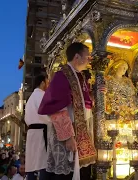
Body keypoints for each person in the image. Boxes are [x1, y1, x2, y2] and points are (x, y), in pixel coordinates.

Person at [39, 42, 105, 179]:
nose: (89, 59)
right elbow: (56, 108)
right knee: (66, 174)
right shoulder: (61, 76)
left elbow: (83, 103)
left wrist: (97, 93)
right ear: (77, 57)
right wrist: (68, 137)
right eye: (87, 56)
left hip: (81, 132)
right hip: (67, 134)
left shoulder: (79, 76)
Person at [25, 73, 51, 180]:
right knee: (43, 162)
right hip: (41, 132)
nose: (48, 84)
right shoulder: (42, 95)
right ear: (42, 83)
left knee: (31, 162)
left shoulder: (31, 97)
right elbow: (46, 113)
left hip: (31, 132)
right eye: (47, 82)